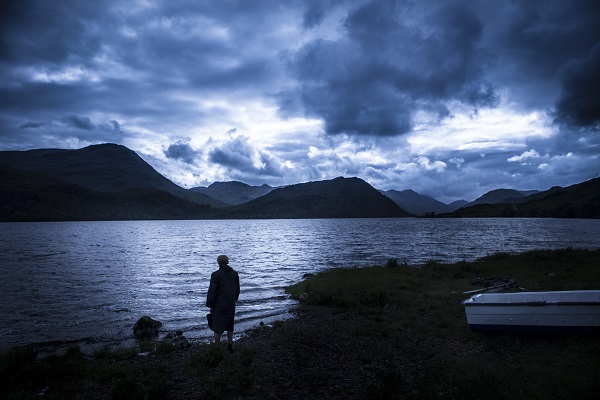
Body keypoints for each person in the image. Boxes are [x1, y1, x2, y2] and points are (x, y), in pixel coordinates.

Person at [206, 254, 240, 353]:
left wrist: (210, 305)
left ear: (218, 262)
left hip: (219, 305)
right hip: (231, 304)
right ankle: (230, 347)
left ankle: (217, 348)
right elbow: (237, 289)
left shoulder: (215, 274)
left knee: (217, 328)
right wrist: (234, 299)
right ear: (227, 262)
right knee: (230, 326)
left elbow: (212, 292)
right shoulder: (235, 273)